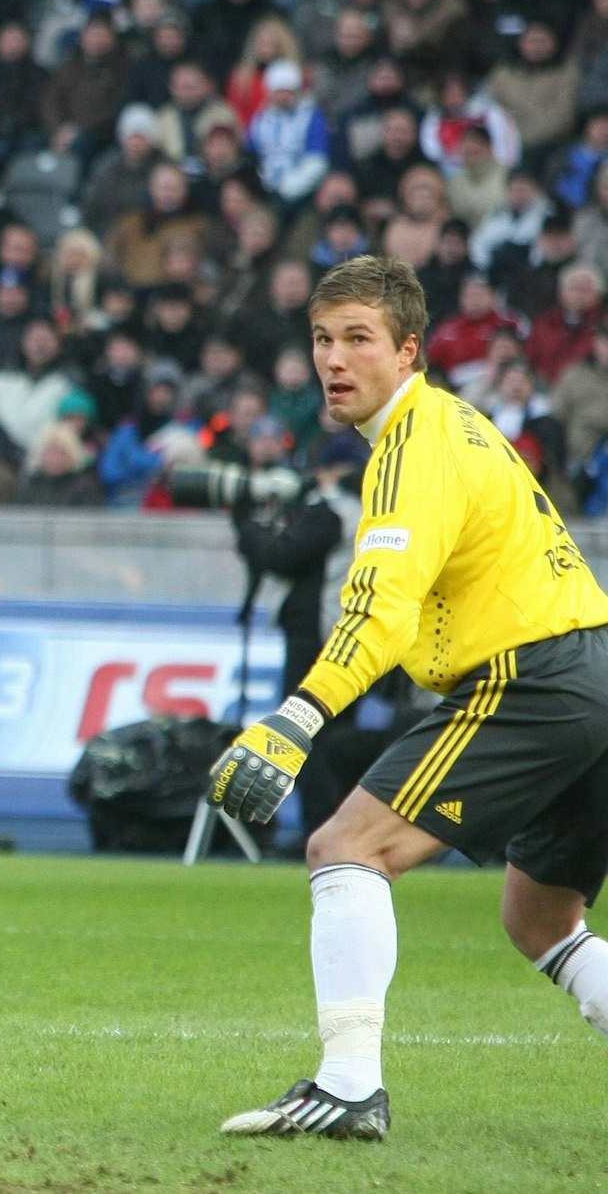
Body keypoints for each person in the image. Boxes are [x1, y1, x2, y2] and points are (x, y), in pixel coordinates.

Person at [210, 256, 608, 1140]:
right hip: (591, 669)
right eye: (322, 339)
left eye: (359, 339)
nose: (335, 360)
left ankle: (348, 1085)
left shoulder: (412, 444)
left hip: (528, 673)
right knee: (540, 917)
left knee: (345, 845)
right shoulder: (456, 426)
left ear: (409, 351)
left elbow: (378, 614)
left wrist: (295, 718)